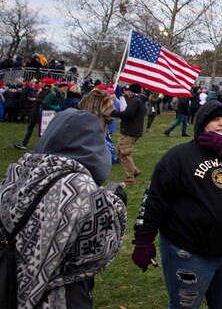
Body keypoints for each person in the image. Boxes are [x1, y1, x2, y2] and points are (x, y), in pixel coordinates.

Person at [0, 109, 127, 308]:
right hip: (55, 295)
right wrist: (115, 201)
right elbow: (97, 250)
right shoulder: (80, 187)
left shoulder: (20, 170)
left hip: (11, 278)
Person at [132, 101, 222, 309]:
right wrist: (144, 238)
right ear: (203, 123)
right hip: (188, 250)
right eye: (215, 120)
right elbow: (154, 199)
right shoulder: (178, 156)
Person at [114, 83, 147, 186]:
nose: (126, 92)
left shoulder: (135, 100)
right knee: (119, 149)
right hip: (131, 130)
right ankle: (134, 171)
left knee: (124, 153)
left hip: (131, 131)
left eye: (127, 90)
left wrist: (114, 113)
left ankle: (130, 178)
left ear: (131, 91)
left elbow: (128, 114)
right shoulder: (137, 100)